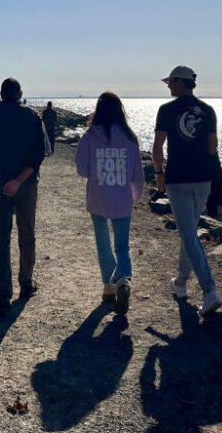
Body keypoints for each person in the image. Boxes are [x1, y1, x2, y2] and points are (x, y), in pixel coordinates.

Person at [152, 65, 222, 317]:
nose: (168, 86)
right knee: (189, 231)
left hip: (178, 179)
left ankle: (209, 290)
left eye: (170, 82)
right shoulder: (208, 110)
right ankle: (181, 283)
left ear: (180, 82)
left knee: (188, 232)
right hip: (203, 178)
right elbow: (212, 148)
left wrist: (158, 173)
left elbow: (157, 147)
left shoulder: (167, 110)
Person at [0, 77, 47, 317]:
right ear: (20, 94)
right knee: (27, 232)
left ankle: (2, 295)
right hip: (26, 183)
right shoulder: (32, 116)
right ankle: (26, 282)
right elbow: (39, 154)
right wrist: (18, 180)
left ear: (0, 94)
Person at [75, 92, 144, 315]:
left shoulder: (89, 136)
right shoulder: (130, 137)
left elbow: (82, 169)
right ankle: (124, 279)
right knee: (122, 245)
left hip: (98, 196)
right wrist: (135, 194)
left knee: (103, 242)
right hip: (122, 198)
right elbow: (137, 173)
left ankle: (108, 286)